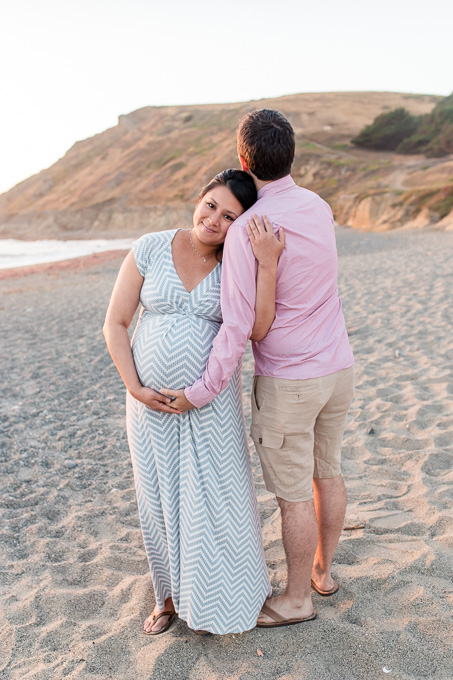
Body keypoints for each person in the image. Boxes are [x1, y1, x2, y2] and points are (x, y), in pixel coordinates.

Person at [165, 110, 355, 628]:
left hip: (291, 382)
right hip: (338, 369)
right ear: (291, 155)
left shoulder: (249, 229)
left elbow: (239, 329)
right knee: (328, 471)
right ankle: (323, 573)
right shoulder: (319, 208)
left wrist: (201, 391)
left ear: (244, 160)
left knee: (293, 495)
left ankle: (297, 599)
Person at [103, 168, 285, 635]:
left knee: (216, 497)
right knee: (159, 496)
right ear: (199, 198)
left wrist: (267, 264)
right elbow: (116, 324)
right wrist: (134, 387)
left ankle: (216, 595)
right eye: (211, 206)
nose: (214, 221)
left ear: (239, 225)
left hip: (210, 405)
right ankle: (165, 597)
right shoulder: (149, 246)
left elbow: (257, 328)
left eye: (229, 216)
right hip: (150, 406)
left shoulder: (236, 261)